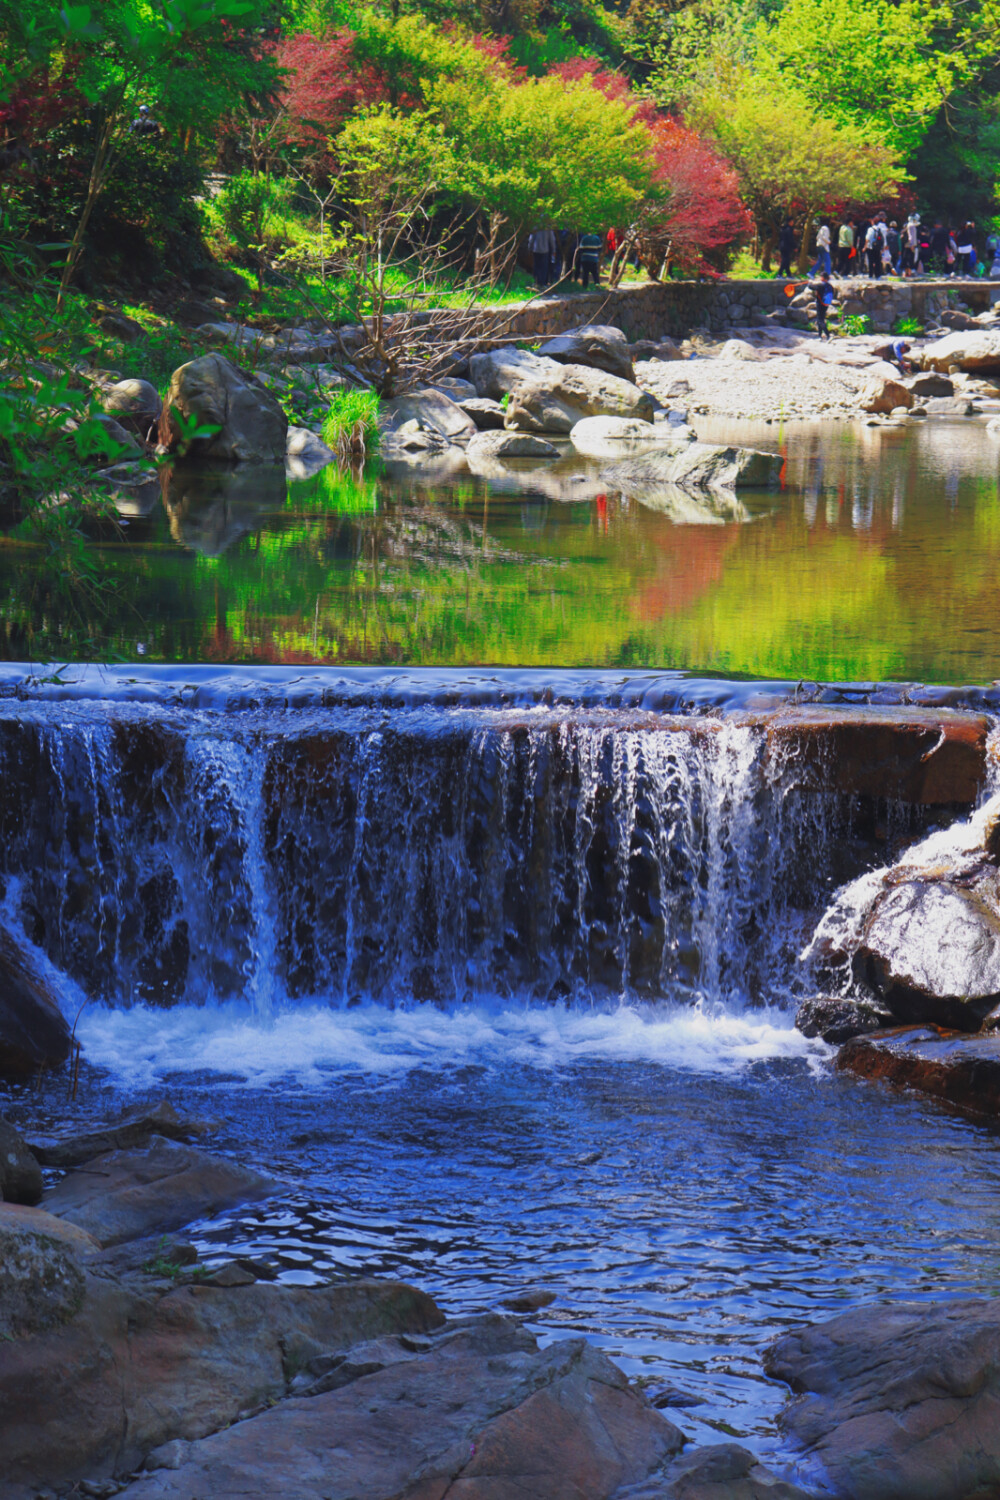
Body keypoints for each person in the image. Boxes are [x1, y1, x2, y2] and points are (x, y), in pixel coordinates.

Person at [810, 271, 836, 339]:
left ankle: (827, 335)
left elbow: (811, 287)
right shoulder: (830, 286)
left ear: (823, 278)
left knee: (820, 320)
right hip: (826, 304)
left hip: (820, 303)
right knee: (821, 318)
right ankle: (819, 335)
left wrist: (810, 282)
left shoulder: (820, 285)